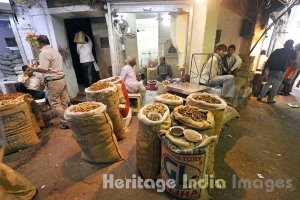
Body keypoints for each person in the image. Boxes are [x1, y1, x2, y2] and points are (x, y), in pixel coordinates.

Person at [28, 35, 70, 129]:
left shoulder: (44, 53)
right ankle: (70, 119)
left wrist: (32, 68)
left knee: (55, 103)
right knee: (63, 102)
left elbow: (44, 69)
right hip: (61, 79)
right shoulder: (54, 51)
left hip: (53, 82)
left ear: (39, 43)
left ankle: (67, 122)